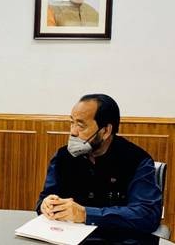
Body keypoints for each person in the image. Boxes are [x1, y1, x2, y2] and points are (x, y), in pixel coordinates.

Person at [36, 94, 162, 233]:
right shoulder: (63, 156)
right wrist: (45, 205)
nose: (72, 132)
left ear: (105, 131)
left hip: (118, 239)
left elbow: (147, 214)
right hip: (66, 237)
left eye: (81, 125)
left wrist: (86, 214)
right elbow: (45, 198)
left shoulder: (137, 161)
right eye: (72, 123)